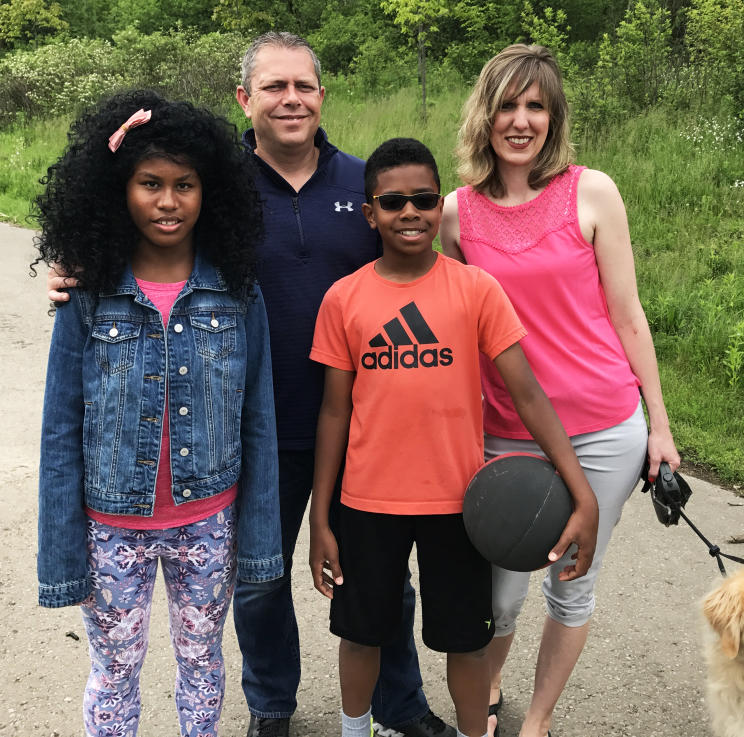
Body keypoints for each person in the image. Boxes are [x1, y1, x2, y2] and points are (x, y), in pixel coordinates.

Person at [49, 32, 455, 737]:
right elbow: (138, 229)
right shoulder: (216, 180)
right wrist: (75, 264)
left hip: (358, 427)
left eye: (303, 85)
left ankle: (399, 702)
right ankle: (271, 704)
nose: (290, 99)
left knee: (383, 576)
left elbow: (425, 271)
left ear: (323, 96)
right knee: (259, 586)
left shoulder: (365, 187)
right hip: (242, 434)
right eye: (273, 86)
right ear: (245, 98)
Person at [307, 138, 600, 737]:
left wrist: (582, 492)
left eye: (422, 199)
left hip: (460, 507)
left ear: (440, 206)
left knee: (465, 644)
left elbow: (528, 396)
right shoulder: (345, 298)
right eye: (392, 201)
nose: (409, 212)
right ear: (370, 213)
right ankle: (352, 728)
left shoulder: (475, 290)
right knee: (361, 634)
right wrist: (321, 518)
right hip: (367, 503)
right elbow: (334, 413)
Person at [438, 44, 683, 737]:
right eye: (508, 105)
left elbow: (628, 314)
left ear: (554, 116)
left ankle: (536, 721)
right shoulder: (455, 215)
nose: (521, 120)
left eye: (536, 106)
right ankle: (482, 699)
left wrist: (658, 426)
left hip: (605, 424)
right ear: (486, 115)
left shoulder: (593, 191)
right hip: (507, 432)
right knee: (501, 592)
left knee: (573, 583)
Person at [34, 89, 283, 737]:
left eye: (184, 184)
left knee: (203, 661)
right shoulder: (87, 293)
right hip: (112, 526)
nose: (168, 201)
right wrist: (62, 554)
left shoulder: (236, 292)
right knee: (115, 669)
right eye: (149, 183)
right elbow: (60, 428)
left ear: (211, 192)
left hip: (208, 521)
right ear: (119, 186)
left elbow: (258, 421)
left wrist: (259, 540)